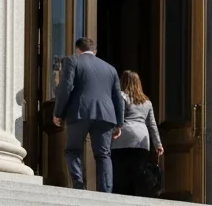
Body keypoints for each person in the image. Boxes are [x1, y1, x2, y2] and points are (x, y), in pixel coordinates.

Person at [52, 37, 125, 193]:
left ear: (77, 49)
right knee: (103, 155)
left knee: (73, 150)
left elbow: (65, 88)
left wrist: (58, 112)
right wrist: (119, 122)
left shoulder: (73, 61)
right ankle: (106, 191)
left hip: (80, 112)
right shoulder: (110, 69)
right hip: (106, 115)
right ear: (95, 51)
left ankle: (79, 186)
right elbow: (118, 97)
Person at [112, 70, 162, 197]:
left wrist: (114, 130)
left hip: (123, 137)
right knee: (139, 171)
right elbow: (152, 125)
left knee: (121, 172)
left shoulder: (121, 96)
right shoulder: (146, 101)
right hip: (142, 139)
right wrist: (158, 144)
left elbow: (119, 116)